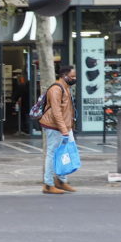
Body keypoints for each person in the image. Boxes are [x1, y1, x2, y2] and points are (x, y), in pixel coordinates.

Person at [37, 65, 78, 194]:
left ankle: (61, 180)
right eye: (72, 76)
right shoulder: (56, 89)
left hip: (65, 126)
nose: (74, 78)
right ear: (64, 76)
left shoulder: (66, 87)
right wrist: (63, 129)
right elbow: (56, 112)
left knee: (66, 152)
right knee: (52, 153)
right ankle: (48, 185)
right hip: (54, 127)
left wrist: (68, 127)